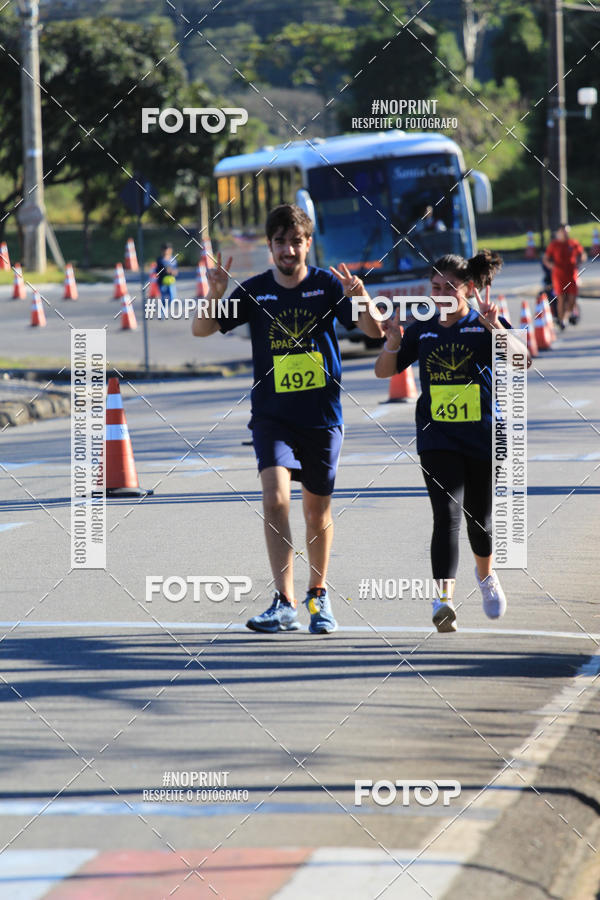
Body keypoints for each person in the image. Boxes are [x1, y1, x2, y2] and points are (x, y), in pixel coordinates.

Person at [191, 204, 383, 634]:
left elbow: (374, 333)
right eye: (281, 242)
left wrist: (362, 300)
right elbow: (201, 330)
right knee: (275, 499)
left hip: (321, 417)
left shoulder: (327, 287)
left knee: (317, 513)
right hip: (272, 416)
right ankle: (284, 601)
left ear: (307, 244)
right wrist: (215, 293)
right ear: (271, 246)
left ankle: (319, 596)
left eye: (296, 242)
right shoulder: (256, 291)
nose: (289, 250)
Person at [374, 250, 531, 633]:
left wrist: (497, 330)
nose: (441, 293)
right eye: (435, 287)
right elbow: (384, 371)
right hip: (437, 437)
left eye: (450, 287)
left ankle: (486, 577)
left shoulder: (483, 324)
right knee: (445, 514)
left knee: (480, 519)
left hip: (483, 435)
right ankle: (443, 599)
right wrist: (393, 342)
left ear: (469, 289)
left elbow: (523, 361)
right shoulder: (423, 328)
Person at [542, 225, 586, 329]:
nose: (565, 234)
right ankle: (562, 320)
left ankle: (567, 315)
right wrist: (551, 265)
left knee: (572, 298)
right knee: (561, 298)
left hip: (571, 274)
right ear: (559, 233)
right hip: (559, 276)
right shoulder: (554, 245)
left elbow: (582, 254)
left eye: (566, 232)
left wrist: (580, 261)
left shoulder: (573, 243)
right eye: (563, 232)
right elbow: (546, 258)